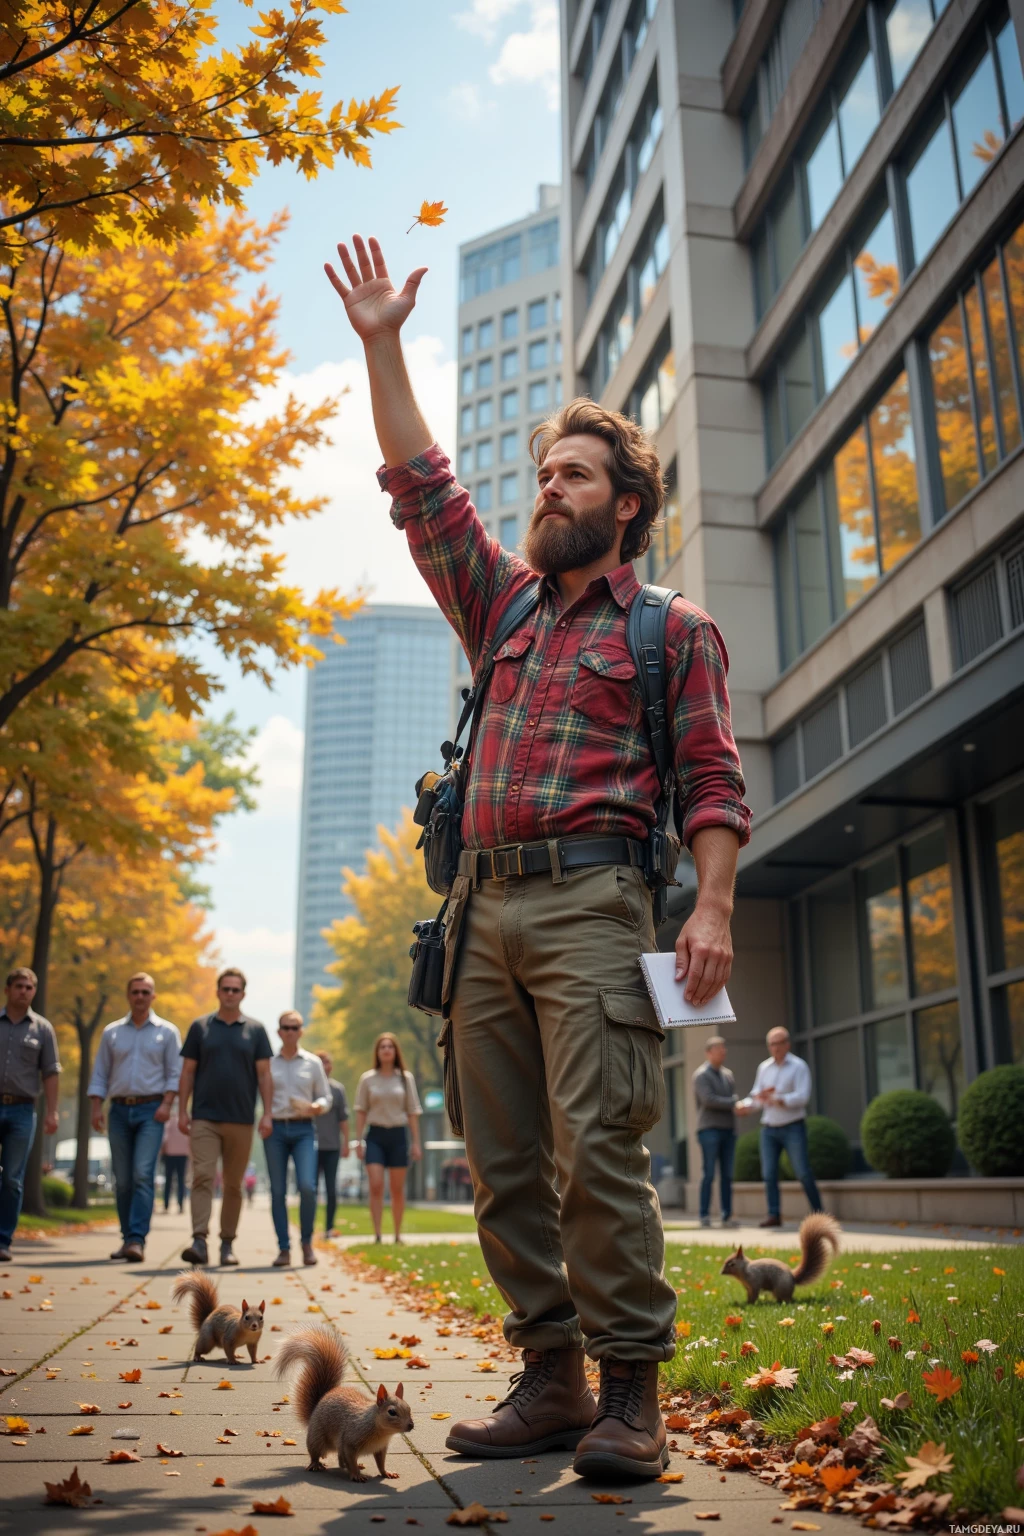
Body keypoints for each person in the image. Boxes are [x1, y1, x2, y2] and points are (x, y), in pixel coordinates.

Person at [326, 235, 750, 1480]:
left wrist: (710, 907)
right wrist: (382, 341)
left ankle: (633, 1398)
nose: (547, 487)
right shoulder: (500, 607)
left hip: (595, 908)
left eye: (572, 475)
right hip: (477, 914)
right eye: (543, 474)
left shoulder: (674, 631)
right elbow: (420, 484)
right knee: (504, 1163)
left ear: (626, 502)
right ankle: (550, 1379)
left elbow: (714, 780)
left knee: (597, 1149)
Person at [177, 968, 273, 1267]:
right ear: (218, 992)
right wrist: (182, 1110)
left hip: (241, 1119)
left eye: (236, 990)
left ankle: (227, 1244)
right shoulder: (200, 1027)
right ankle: (199, 1240)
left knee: (233, 1185)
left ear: (243, 994)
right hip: (204, 1116)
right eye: (226, 989)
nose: (230, 994)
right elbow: (188, 1071)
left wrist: (267, 1113)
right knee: (203, 1177)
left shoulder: (256, 1030)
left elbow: (265, 1075)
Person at [88, 974, 181, 1261]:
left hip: (151, 1111)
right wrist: (95, 1107)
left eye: (146, 992)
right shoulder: (112, 1032)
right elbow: (101, 1072)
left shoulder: (166, 1032)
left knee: (142, 1174)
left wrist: (167, 1103)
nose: (140, 996)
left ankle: (137, 1240)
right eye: (135, 992)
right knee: (123, 1179)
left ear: (153, 996)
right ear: (128, 995)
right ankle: (127, 1237)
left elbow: (174, 1073)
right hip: (117, 1110)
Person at [0, 968, 61, 1263]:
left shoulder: (42, 1029)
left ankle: (3, 1240)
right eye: (19, 986)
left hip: (24, 1110)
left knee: (12, 1179)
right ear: (7, 989)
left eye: (29, 987)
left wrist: (52, 1112)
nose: (24, 991)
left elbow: (50, 1072)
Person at [736, 1026, 822, 1227]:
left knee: (802, 1171)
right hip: (769, 1128)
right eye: (771, 1044)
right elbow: (757, 1097)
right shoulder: (764, 1068)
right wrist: (745, 1106)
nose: (774, 1048)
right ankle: (774, 1215)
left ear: (787, 1044)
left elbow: (803, 1097)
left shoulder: (799, 1066)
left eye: (778, 1043)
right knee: (769, 1173)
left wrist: (779, 1099)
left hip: (793, 1126)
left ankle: (819, 1214)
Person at [265, 1010, 331, 1267]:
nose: (290, 1031)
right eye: (285, 1027)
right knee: (278, 1190)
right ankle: (284, 1248)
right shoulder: (268, 1063)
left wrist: (317, 1106)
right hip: (276, 1131)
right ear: (279, 1031)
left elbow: (326, 1096)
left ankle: (306, 1243)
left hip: (304, 1129)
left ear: (301, 1031)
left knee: (307, 1186)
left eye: (295, 1027)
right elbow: (262, 1094)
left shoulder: (312, 1062)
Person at [353, 1034, 422, 1245]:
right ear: (377, 1051)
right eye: (382, 1046)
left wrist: (416, 1142)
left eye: (390, 1046)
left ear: (395, 1051)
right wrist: (358, 1140)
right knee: (375, 1184)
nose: (386, 1050)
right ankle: (377, 1233)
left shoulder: (405, 1078)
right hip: (375, 1136)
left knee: (397, 1188)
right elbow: (361, 1111)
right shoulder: (367, 1079)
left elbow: (412, 1111)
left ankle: (398, 1234)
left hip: (398, 1135)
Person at [692, 1036, 738, 1230]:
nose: (723, 1052)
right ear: (709, 1052)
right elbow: (708, 1100)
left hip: (728, 1129)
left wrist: (736, 1104)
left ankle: (726, 1215)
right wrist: (734, 1102)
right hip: (709, 1130)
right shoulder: (701, 1075)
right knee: (709, 1173)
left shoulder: (728, 1074)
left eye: (724, 1049)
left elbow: (729, 1101)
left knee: (727, 1174)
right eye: (719, 1049)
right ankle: (704, 1215)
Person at [314, 1051, 350, 1237]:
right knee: (309, 1188)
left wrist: (346, 1143)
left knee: (331, 1188)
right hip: (310, 1147)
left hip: (332, 1146)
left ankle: (329, 1227)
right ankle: (309, 1227)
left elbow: (343, 1119)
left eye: (327, 1062)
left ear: (331, 1066)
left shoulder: (337, 1089)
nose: (324, 1065)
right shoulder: (308, 1088)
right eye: (320, 1062)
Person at [162, 1098, 190, 1214]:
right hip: (182, 1155)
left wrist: (162, 1152)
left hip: (170, 1155)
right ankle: (180, 1205)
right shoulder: (186, 1123)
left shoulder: (169, 1122)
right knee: (180, 1180)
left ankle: (166, 1205)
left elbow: (165, 1139)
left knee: (168, 1180)